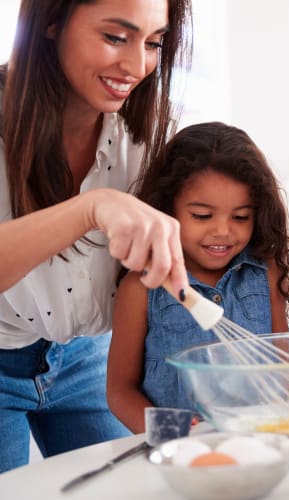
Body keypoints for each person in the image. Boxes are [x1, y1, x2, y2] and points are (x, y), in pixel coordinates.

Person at [0, 0, 193, 473]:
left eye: (153, 42)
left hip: (88, 358)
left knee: (133, 485)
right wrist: (93, 208)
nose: (136, 66)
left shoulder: (145, 133)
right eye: (114, 37)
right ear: (50, 21)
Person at [107, 121, 289, 433]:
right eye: (202, 216)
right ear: (166, 208)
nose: (223, 231)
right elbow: (120, 391)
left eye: (241, 217)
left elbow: (283, 370)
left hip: (259, 443)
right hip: (180, 454)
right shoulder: (141, 288)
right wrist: (174, 432)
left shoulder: (266, 274)